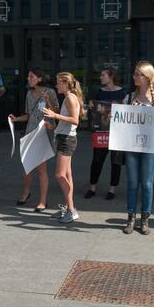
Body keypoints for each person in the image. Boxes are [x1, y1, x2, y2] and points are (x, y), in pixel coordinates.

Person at [122, 61, 154, 235]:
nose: (135, 77)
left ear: (148, 78)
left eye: (138, 74)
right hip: (132, 145)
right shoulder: (128, 98)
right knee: (132, 183)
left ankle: (145, 218)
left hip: (151, 146)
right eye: (135, 74)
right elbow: (122, 121)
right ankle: (131, 217)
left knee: (147, 183)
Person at [8, 68, 59, 211]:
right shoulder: (29, 94)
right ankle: (26, 192)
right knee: (27, 167)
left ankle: (43, 201)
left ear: (39, 79)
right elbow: (28, 115)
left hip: (43, 133)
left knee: (42, 169)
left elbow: (56, 112)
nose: (28, 78)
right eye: (28, 76)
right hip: (30, 133)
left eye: (31, 76)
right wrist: (16, 119)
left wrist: (48, 101)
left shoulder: (50, 92)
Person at [43, 72, 84, 224]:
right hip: (63, 138)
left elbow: (75, 120)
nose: (56, 85)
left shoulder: (71, 98)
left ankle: (71, 210)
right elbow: (62, 116)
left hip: (67, 140)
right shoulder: (68, 98)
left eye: (59, 83)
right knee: (67, 175)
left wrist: (54, 116)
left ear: (66, 83)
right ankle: (68, 208)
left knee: (60, 175)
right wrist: (50, 108)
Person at [84, 68, 127, 200]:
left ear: (111, 76)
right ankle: (92, 187)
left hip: (118, 132)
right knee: (97, 160)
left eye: (103, 75)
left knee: (116, 162)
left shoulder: (122, 93)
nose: (101, 77)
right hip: (102, 131)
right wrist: (91, 105)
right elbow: (93, 108)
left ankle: (112, 189)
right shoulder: (99, 92)